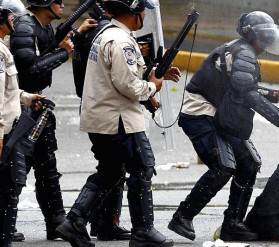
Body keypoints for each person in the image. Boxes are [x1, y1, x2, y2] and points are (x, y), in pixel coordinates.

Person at [167, 11, 279, 242]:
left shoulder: (243, 51)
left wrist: (274, 94)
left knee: (249, 163)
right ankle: (183, 216)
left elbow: (242, 87)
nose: (267, 40)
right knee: (223, 165)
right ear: (252, 35)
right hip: (201, 113)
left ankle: (233, 224)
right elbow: (249, 95)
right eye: (263, 35)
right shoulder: (244, 53)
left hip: (220, 113)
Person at [56, 0, 180, 246]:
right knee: (143, 167)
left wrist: (155, 76)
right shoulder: (122, 41)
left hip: (104, 117)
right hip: (118, 120)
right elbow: (128, 85)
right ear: (134, 14)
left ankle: (74, 222)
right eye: (142, 12)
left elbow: (120, 77)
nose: (144, 16)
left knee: (111, 170)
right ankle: (143, 230)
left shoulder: (107, 34)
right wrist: (153, 86)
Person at [8, 0, 93, 241]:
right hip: (22, 108)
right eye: (57, 1)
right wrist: (64, 52)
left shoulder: (42, 26)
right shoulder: (25, 26)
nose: (62, 4)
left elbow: (50, 44)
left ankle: (55, 221)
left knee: (47, 168)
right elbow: (30, 69)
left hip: (39, 107)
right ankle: (5, 222)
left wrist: (76, 33)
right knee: (16, 170)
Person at [71, 1, 131, 241]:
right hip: (105, 106)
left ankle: (103, 223)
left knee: (113, 166)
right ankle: (79, 219)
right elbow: (120, 78)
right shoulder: (106, 33)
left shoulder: (89, 32)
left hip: (94, 102)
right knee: (113, 166)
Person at [0, 1, 44, 245]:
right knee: (7, 191)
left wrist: (27, 98)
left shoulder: (3, 49)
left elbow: (8, 91)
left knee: (10, 188)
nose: (16, 22)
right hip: (4, 135)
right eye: (12, 17)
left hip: (9, 132)